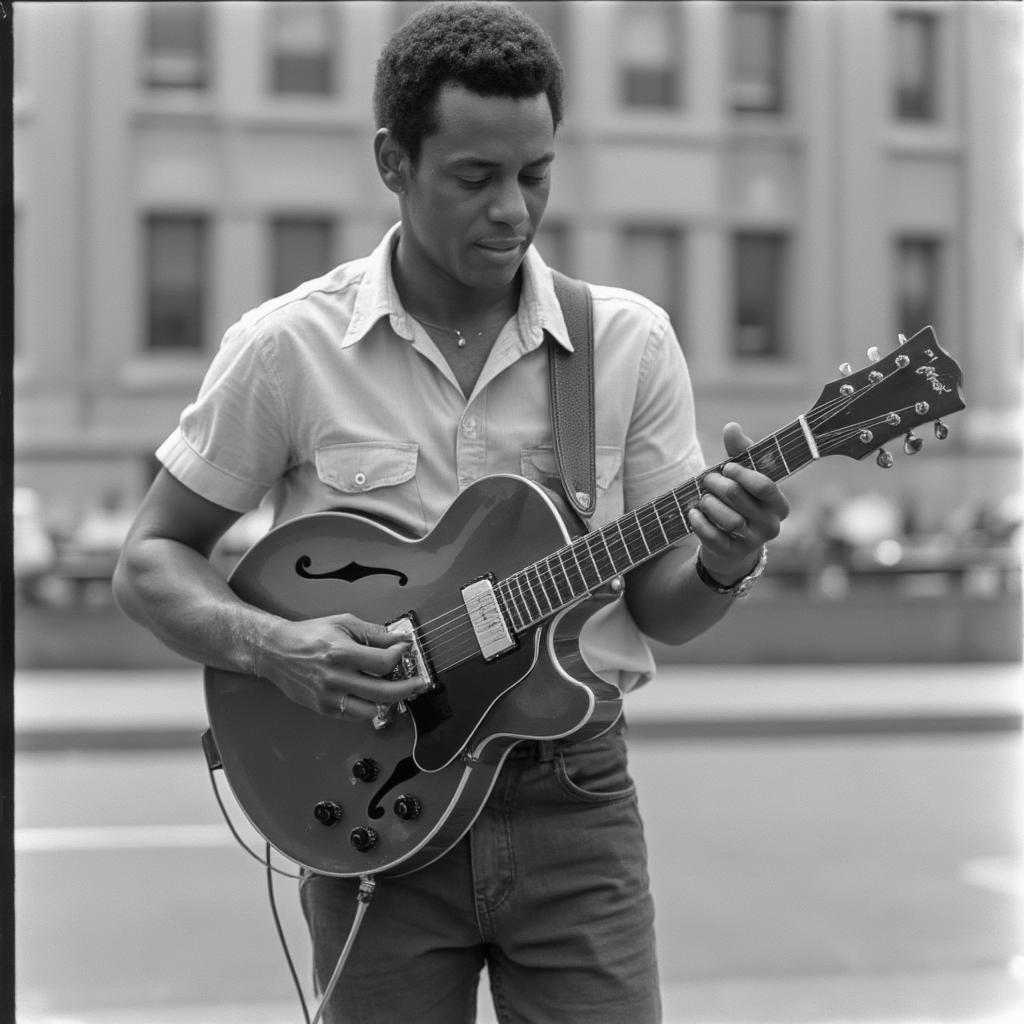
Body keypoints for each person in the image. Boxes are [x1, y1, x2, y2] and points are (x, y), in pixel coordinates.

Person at [113, 4, 790, 1022]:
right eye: (475, 178)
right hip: (375, 805)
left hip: (573, 795)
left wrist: (724, 559)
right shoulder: (288, 348)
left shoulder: (631, 345)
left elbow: (660, 609)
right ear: (394, 160)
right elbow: (150, 559)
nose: (513, 210)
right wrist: (275, 645)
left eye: (536, 174)